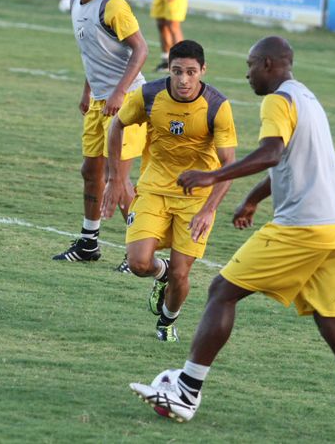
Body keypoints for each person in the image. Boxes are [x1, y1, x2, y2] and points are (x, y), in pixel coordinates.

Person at [128, 37, 335, 441]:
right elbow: (290, 162)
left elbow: (271, 153)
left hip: (301, 228)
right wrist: (252, 200)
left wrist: (212, 177)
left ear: (270, 65)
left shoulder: (276, 101)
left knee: (221, 291)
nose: (247, 72)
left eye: (251, 64)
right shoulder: (308, 98)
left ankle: (186, 391)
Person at [101, 40, 236, 341]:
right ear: (169, 70)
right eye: (177, 71)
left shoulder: (217, 106)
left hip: (195, 200)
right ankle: (158, 276)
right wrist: (113, 179)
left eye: (191, 72)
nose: (184, 79)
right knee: (137, 264)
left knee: (181, 274)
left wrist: (208, 209)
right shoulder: (149, 94)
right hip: (154, 190)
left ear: (202, 70)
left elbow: (229, 165)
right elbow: (116, 126)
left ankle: (166, 322)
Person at [52, 0, 149, 273]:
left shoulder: (113, 6)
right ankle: (89, 242)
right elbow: (92, 53)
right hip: (99, 101)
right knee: (90, 171)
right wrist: (86, 91)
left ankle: (137, 251)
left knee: (118, 179)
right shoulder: (76, 5)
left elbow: (141, 49)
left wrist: (120, 93)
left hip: (128, 101)